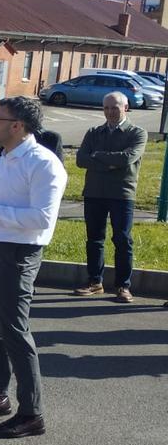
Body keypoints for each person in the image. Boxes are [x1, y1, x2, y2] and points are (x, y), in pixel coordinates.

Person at [0, 97, 66, 439]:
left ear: (17, 126)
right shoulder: (6, 156)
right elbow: (2, 204)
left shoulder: (43, 163)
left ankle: (31, 413)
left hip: (19, 253)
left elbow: (42, 218)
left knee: (15, 332)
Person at [74, 91, 147, 303]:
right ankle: (94, 282)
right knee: (94, 239)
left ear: (125, 108)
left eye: (114, 107)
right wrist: (111, 163)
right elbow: (81, 160)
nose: (110, 112)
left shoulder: (137, 133)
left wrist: (98, 157)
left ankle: (123, 286)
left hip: (122, 194)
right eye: (106, 108)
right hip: (94, 192)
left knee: (122, 239)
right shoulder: (94, 132)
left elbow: (128, 158)